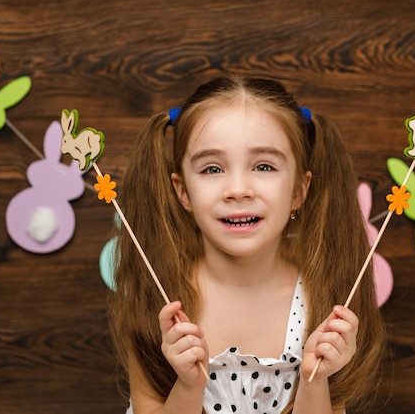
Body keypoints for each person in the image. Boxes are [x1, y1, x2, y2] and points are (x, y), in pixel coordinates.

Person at [108, 76, 386, 414]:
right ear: (183, 192)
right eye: (212, 168)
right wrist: (188, 385)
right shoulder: (158, 298)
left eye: (264, 166)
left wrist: (316, 381)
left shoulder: (324, 301)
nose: (238, 189)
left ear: (299, 189)